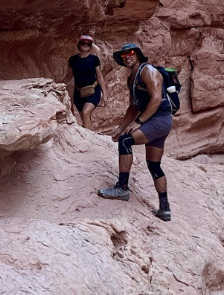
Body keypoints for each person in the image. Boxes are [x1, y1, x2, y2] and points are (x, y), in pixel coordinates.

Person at [98, 42, 174, 221]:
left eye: (130, 52)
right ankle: (164, 209)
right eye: (123, 55)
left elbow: (156, 99)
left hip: (160, 119)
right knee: (154, 165)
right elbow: (133, 107)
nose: (127, 56)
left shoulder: (148, 71)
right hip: (158, 121)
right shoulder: (131, 78)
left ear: (138, 54)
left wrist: (140, 122)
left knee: (126, 141)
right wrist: (121, 127)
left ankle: (122, 188)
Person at [65, 35, 105, 128]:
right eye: (83, 43)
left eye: (88, 44)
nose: (85, 45)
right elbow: (69, 76)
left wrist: (105, 94)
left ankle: (88, 141)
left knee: (85, 112)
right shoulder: (73, 60)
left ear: (90, 46)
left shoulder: (94, 59)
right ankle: (90, 135)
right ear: (79, 45)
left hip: (93, 91)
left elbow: (99, 76)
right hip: (79, 92)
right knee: (85, 117)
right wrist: (58, 84)